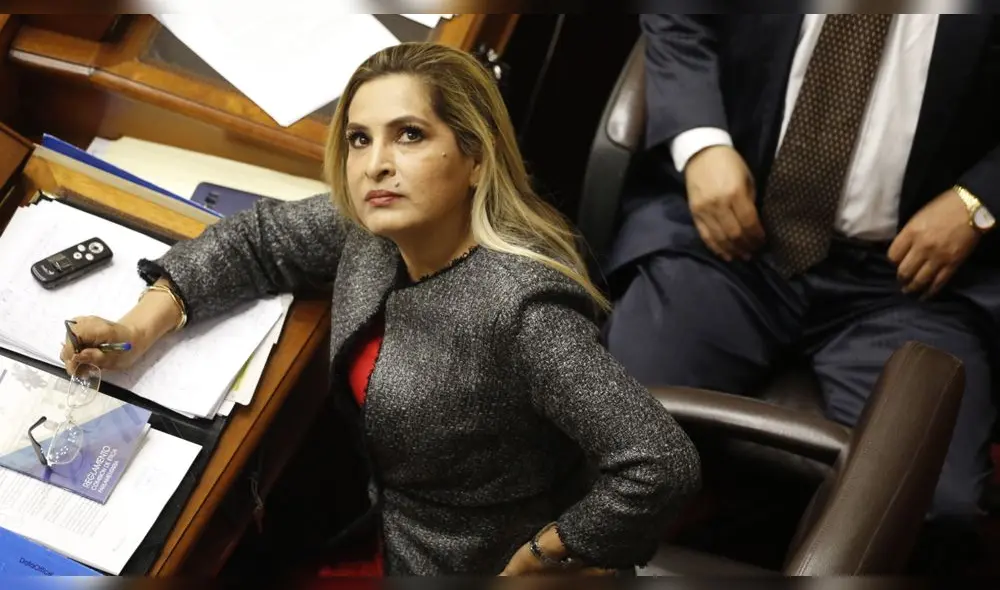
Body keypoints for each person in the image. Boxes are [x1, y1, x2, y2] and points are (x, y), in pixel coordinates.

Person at [58, 42, 701, 576]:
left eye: (410, 136)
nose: (376, 166)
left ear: (476, 157)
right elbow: (257, 240)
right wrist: (136, 325)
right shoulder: (373, 234)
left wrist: (548, 555)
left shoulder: (525, 308)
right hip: (373, 528)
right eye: (360, 141)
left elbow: (659, 464)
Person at [602, 14, 1000, 571]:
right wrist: (701, 143)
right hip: (732, 240)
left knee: (933, 509)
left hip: (909, 279)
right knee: (605, 437)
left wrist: (979, 201)